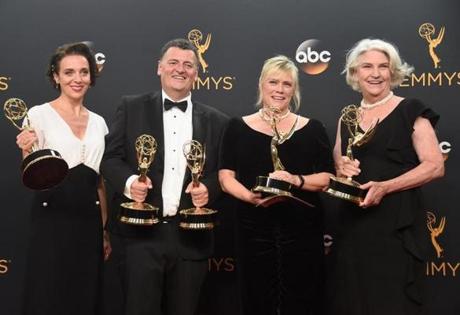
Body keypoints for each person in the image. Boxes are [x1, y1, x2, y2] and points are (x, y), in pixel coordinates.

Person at [100, 38, 228, 315]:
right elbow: (109, 159)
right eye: (173, 63)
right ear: (159, 68)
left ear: (196, 72)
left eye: (188, 65)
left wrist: (209, 188)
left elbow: (225, 172)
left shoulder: (217, 120)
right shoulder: (131, 107)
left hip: (191, 240)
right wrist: (130, 183)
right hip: (139, 239)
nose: (180, 69)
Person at [328, 38, 445, 315]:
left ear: (393, 72)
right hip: (353, 227)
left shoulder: (410, 110)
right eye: (367, 66)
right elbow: (339, 164)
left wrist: (386, 187)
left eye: (384, 66)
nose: (376, 73)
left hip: (395, 226)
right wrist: (341, 168)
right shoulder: (347, 117)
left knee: (392, 301)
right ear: (355, 73)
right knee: (352, 300)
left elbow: (435, 165)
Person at [218, 55, 334, 315]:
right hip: (252, 227)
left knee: (304, 299)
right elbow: (225, 178)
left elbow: (328, 178)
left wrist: (296, 180)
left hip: (303, 229)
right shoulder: (237, 126)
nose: (279, 90)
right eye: (273, 82)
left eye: (287, 84)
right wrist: (250, 198)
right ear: (261, 84)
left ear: (295, 89)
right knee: (256, 298)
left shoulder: (312, 128)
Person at [16, 42, 111, 315]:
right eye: (69, 72)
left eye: (83, 72)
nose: (77, 79)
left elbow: (100, 182)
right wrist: (25, 149)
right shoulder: (38, 114)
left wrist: (104, 231)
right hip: (52, 217)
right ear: (56, 77)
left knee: (85, 294)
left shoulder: (100, 123)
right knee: (48, 293)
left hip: (88, 222)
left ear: (92, 77)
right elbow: (30, 170)